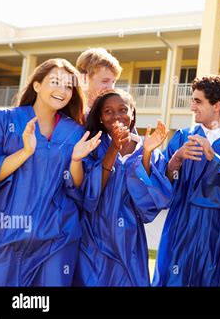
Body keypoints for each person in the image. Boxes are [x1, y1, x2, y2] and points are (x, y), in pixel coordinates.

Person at [0, 58, 101, 286]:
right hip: (6, 233)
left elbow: (77, 185)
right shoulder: (4, 121)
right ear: (37, 85)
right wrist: (25, 152)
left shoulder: (75, 132)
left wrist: (75, 160)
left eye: (68, 86)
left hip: (57, 236)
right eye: (55, 82)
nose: (62, 90)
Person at [152, 75, 220, 286]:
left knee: (212, 278)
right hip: (181, 224)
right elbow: (163, 183)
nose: (192, 107)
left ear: (217, 105)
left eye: (198, 101)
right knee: (174, 277)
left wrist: (212, 159)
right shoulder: (182, 137)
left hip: (217, 229)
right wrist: (175, 160)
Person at [73, 89, 172, 286]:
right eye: (108, 111)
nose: (116, 116)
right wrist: (113, 149)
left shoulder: (148, 149)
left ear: (133, 113)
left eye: (123, 109)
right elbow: (90, 195)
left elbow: (150, 206)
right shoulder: (92, 146)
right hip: (94, 236)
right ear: (100, 117)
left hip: (130, 238)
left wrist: (146, 154)